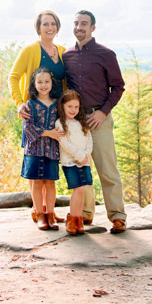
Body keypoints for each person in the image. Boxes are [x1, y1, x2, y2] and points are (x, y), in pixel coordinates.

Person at [63, 10, 127, 234]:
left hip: (99, 119)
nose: (79, 27)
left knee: (107, 168)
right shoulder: (67, 56)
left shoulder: (106, 54)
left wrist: (102, 112)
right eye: (76, 23)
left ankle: (117, 216)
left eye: (84, 24)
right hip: (77, 121)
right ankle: (86, 213)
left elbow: (118, 87)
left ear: (93, 28)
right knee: (82, 165)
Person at [20, 67, 63, 230]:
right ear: (34, 84)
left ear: (52, 83)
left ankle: (50, 214)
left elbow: (62, 124)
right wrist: (48, 133)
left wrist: (56, 134)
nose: (43, 85)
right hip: (34, 150)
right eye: (40, 82)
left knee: (50, 182)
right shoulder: (30, 104)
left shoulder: (58, 104)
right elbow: (28, 127)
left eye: (47, 82)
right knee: (37, 182)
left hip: (52, 149)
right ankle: (39, 214)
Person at [55, 89, 93, 236]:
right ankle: (72, 219)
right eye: (70, 106)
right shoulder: (60, 123)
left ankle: (78, 220)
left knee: (82, 189)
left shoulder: (81, 123)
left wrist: (85, 155)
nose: (73, 110)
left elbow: (89, 140)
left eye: (76, 107)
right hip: (70, 161)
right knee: (77, 189)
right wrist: (77, 154)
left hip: (84, 161)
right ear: (63, 106)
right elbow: (64, 143)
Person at [8, 10, 65, 106]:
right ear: (38, 28)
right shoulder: (29, 50)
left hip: (60, 110)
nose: (50, 27)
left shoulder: (63, 51)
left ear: (57, 27)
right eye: (45, 24)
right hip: (36, 113)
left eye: (53, 24)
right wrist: (20, 103)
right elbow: (13, 78)